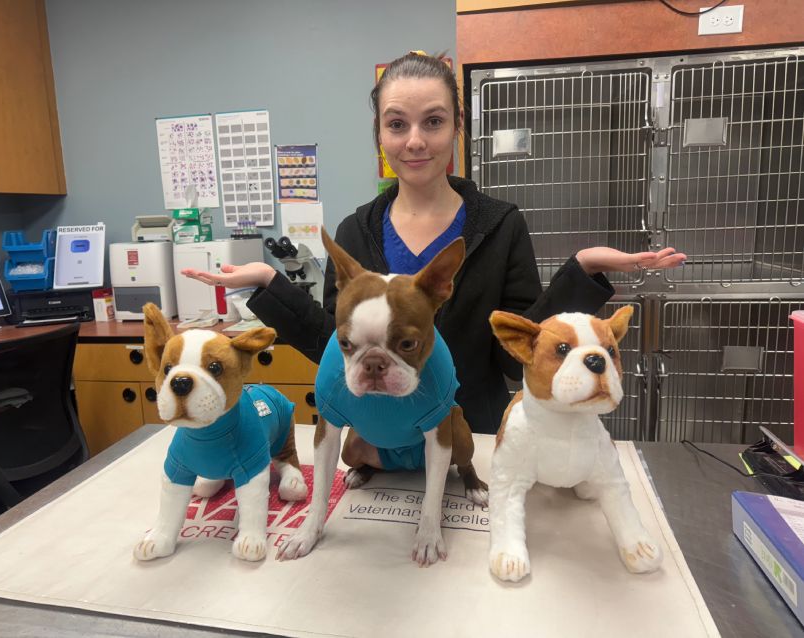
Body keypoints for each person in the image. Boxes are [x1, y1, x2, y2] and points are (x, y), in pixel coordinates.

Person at [183, 52, 685, 436]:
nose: (415, 140)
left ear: (456, 128)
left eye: (434, 121)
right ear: (379, 132)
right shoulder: (357, 232)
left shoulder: (501, 226)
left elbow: (518, 357)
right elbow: (332, 348)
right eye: (397, 123)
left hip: (476, 437)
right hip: (382, 439)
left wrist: (583, 270)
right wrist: (269, 281)